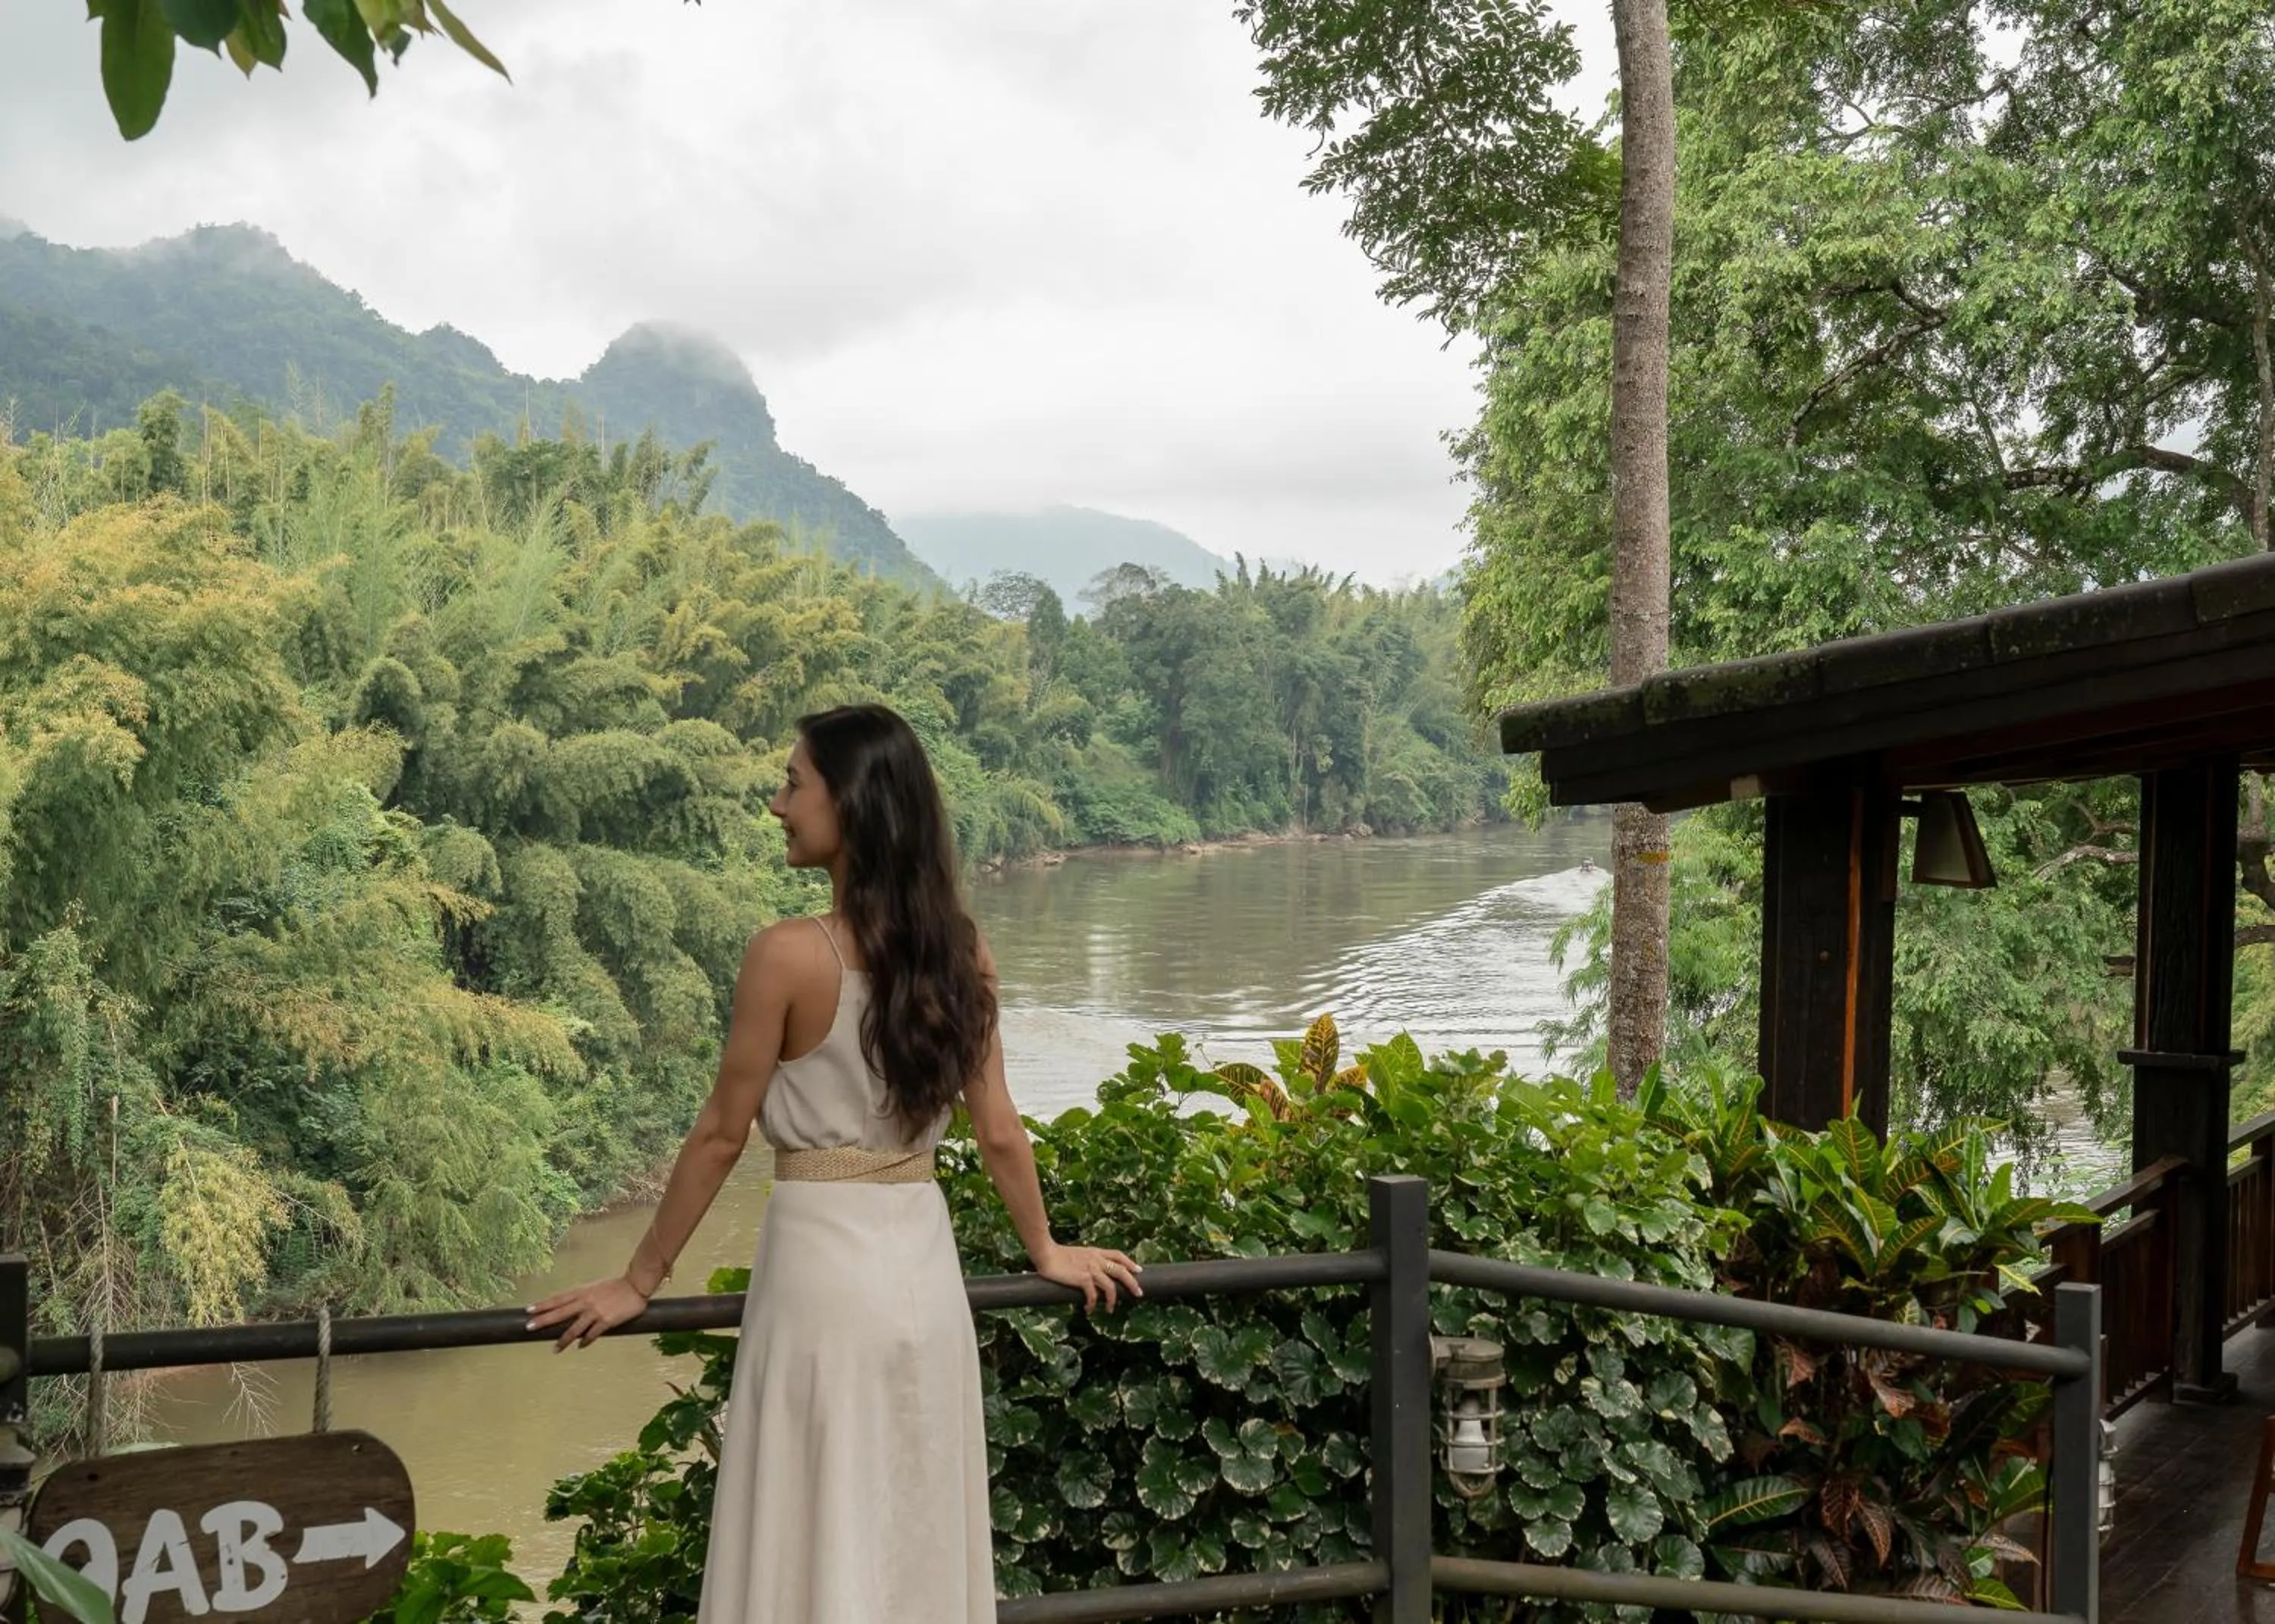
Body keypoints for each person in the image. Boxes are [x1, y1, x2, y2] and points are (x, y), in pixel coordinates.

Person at [527, 702, 1142, 1622]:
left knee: (811, 1507)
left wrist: (640, 1278)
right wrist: (1045, 1250)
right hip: (922, 1272)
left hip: (819, 1271)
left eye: (793, 783)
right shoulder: (962, 954)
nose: (778, 804)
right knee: (909, 1508)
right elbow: (1000, 1127)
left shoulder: (785, 956)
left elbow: (720, 1135)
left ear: (851, 804)